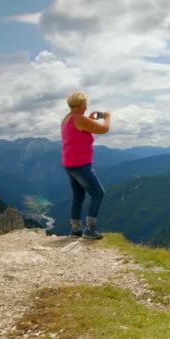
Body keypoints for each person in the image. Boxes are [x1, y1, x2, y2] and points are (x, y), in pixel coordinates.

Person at [61, 91, 111, 239]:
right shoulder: (79, 118)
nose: (87, 106)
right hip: (81, 164)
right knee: (98, 193)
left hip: (69, 163)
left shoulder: (67, 119)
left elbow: (80, 130)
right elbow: (103, 129)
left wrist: (89, 119)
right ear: (81, 104)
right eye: (85, 104)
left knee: (78, 196)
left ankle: (75, 228)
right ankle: (90, 228)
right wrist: (107, 117)